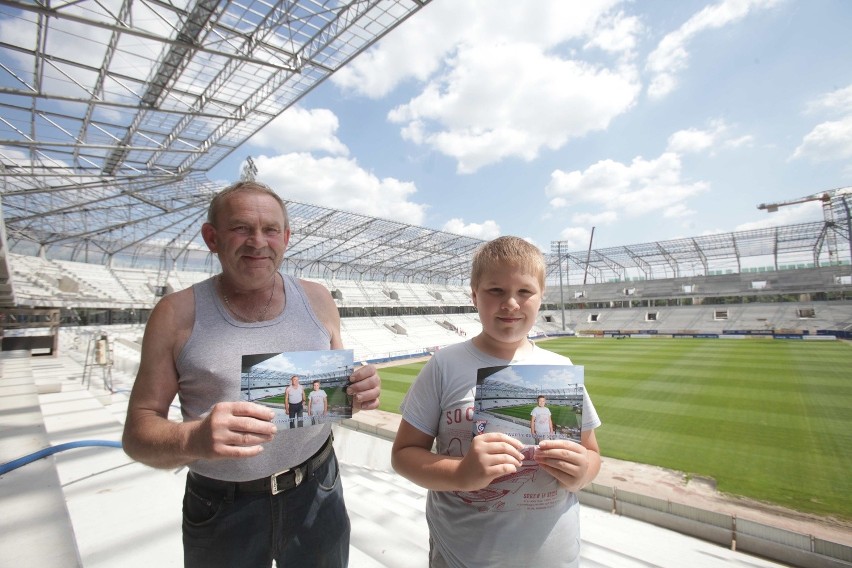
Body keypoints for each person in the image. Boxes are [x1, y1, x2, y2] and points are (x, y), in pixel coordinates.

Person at [121, 180, 381, 568]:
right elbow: (137, 434)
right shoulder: (175, 314)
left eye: (270, 230)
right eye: (241, 228)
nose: (258, 242)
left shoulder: (318, 298)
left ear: (286, 237)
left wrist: (358, 390)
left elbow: (338, 388)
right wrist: (194, 436)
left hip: (318, 487)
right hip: (222, 505)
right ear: (212, 237)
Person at [391, 236, 601, 568]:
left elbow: (592, 454)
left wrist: (582, 472)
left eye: (525, 292)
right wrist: (461, 473)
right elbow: (403, 456)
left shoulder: (560, 368)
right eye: (496, 291)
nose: (511, 304)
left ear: (541, 298)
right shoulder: (444, 365)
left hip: (554, 557)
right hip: (462, 556)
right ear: (474, 295)